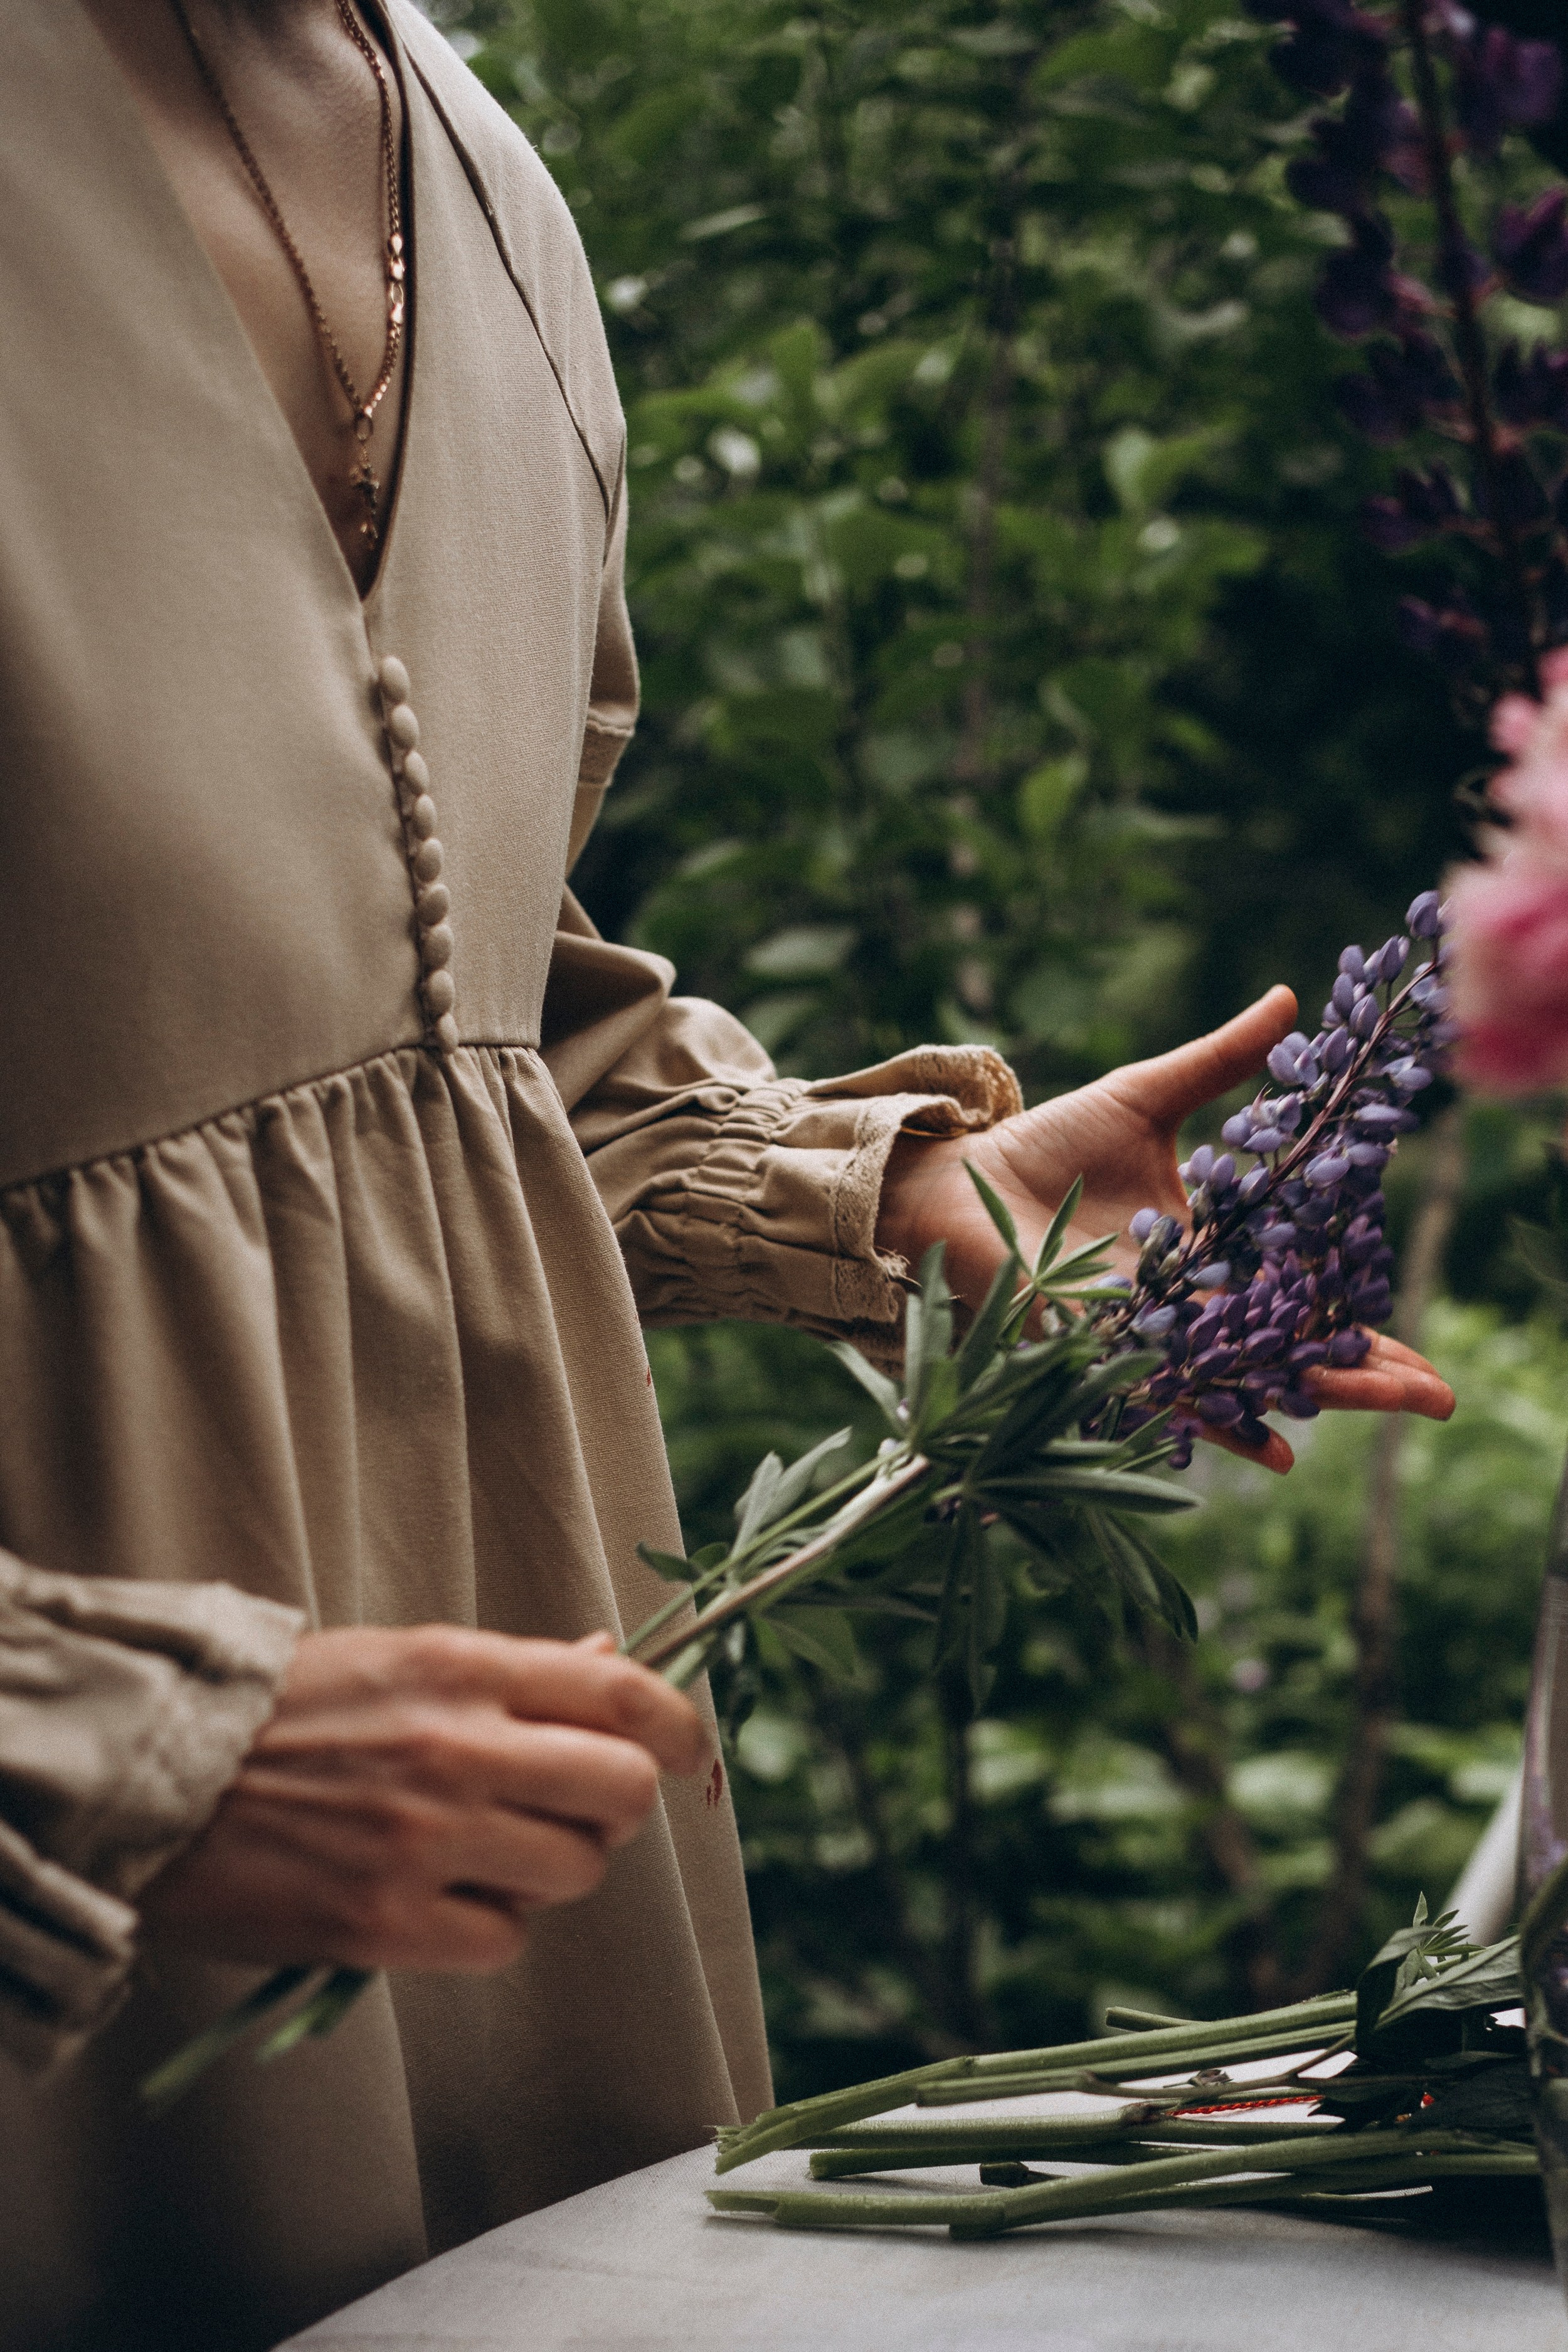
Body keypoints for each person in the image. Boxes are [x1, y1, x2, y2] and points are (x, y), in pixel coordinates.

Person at [0, 4, 1454, 2346]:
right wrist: (98, 1748)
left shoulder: (482, 186)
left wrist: (861, 1190)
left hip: (503, 1883)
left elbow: (429, 1011)